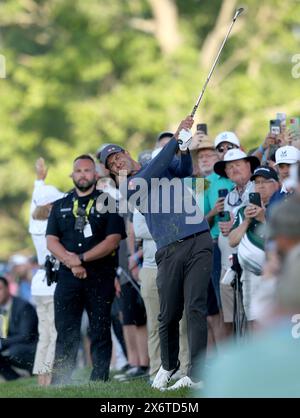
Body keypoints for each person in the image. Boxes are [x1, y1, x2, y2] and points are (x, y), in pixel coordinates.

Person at [100, 116, 213, 390]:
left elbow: (184, 169)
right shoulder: (129, 185)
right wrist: (175, 138)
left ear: (126, 153)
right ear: (113, 172)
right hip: (169, 249)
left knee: (196, 307)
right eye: (112, 165)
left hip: (198, 238)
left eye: (117, 156)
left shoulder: (157, 165)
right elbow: (157, 168)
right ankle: (169, 365)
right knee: (169, 312)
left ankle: (195, 374)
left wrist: (183, 146)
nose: (117, 163)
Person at [46, 154, 126, 384]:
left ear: (96, 174)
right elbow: (51, 240)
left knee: (100, 328)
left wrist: (80, 258)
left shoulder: (108, 202)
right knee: (66, 330)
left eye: (87, 170)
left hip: (100, 276)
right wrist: (72, 263)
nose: (82, 174)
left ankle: (99, 379)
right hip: (67, 277)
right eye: (78, 171)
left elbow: (113, 240)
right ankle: (61, 381)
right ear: (72, 175)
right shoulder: (61, 204)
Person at [213, 148, 260, 336]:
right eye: (229, 167)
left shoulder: (258, 188)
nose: (234, 169)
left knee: (252, 316)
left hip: (250, 262)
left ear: (249, 166)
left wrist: (237, 225)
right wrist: (227, 229)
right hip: (228, 262)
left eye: (238, 164)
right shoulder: (228, 196)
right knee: (231, 317)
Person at [29, 158, 64, 386]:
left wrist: (39, 181)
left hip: (38, 283)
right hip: (52, 283)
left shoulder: (34, 222)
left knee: (45, 333)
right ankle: (48, 377)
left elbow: (36, 199)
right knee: (54, 332)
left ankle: (41, 378)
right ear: (51, 205)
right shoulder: (53, 225)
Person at [0, 276, 38, 381]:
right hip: (15, 346)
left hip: (31, 347)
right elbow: (3, 335)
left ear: (8, 288)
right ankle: (14, 380)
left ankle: (34, 371)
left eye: (0, 289)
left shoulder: (23, 306)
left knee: (14, 351)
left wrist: (2, 343)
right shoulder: (1, 310)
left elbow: (25, 336)